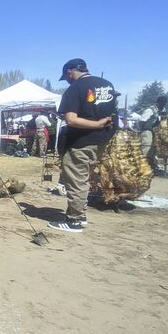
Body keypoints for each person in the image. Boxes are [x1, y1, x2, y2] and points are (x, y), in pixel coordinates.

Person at [47, 58, 117, 233]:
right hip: (100, 142)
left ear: (69, 72)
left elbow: (71, 120)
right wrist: (102, 128)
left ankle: (74, 220)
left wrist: (96, 124)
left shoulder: (75, 88)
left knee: (76, 180)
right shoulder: (107, 85)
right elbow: (111, 115)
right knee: (84, 179)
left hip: (81, 142)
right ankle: (81, 214)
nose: (67, 80)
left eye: (66, 77)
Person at [139, 95, 167, 170]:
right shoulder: (150, 110)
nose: (163, 105)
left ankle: (151, 164)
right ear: (158, 103)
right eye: (162, 103)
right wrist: (144, 129)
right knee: (147, 147)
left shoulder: (163, 111)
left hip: (156, 132)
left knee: (154, 149)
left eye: (164, 103)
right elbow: (141, 121)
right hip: (147, 130)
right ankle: (142, 165)